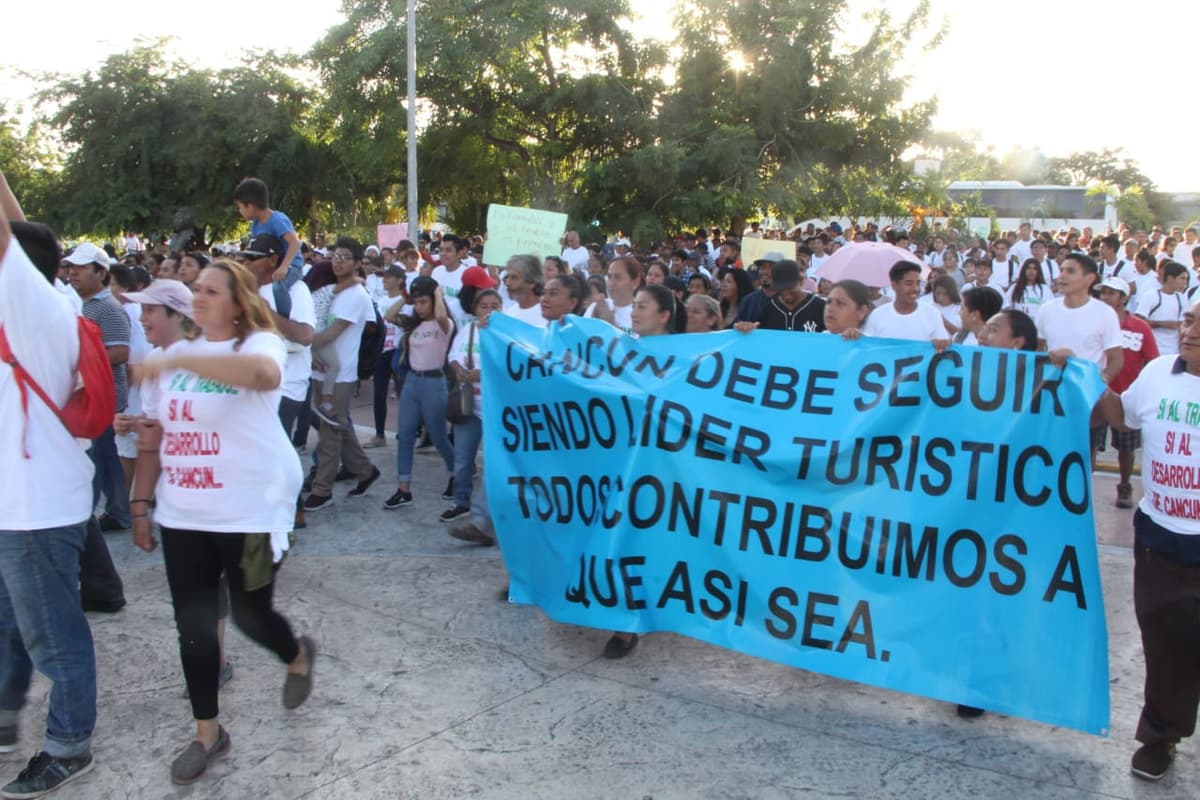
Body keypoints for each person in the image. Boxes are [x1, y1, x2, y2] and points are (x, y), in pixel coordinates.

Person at [128, 259, 316, 786]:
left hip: (251, 509)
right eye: (196, 289)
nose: (200, 297)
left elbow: (264, 378)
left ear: (239, 303)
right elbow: (158, 433)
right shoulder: (174, 357)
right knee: (193, 625)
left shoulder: (257, 343)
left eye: (212, 290)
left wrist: (180, 359)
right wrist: (140, 504)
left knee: (251, 616)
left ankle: (296, 654)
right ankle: (207, 733)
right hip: (184, 511)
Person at [0, 209, 100, 798]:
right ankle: (5, 709)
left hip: (34, 510)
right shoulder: (45, 306)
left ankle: (68, 743)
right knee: (10, 624)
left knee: (52, 634)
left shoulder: (32, 308)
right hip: (20, 503)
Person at [1094, 296, 1200, 783]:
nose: (1191, 328)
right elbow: (1122, 418)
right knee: (1166, 642)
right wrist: (1089, 379)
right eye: (1190, 319)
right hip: (1161, 538)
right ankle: (1160, 736)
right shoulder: (1158, 372)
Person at [302, 238, 381, 511]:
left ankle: (322, 490)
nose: (338, 261)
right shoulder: (330, 289)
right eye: (335, 255)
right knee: (337, 425)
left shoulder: (357, 296)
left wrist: (299, 342)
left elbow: (330, 334)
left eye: (346, 257)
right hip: (318, 370)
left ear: (358, 263)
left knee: (329, 433)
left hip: (339, 376)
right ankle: (365, 471)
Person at [385, 277, 456, 510]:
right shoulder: (413, 325)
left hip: (434, 383)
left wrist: (437, 294)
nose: (419, 307)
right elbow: (389, 315)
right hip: (412, 382)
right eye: (417, 303)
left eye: (423, 302)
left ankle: (456, 473)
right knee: (405, 436)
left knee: (438, 436)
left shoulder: (444, 325)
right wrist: (405, 299)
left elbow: (443, 317)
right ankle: (403, 488)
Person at [1095, 276, 1158, 508]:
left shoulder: (1140, 327)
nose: (1106, 297)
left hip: (1127, 398)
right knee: (1090, 444)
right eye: (1104, 293)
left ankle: (1124, 484)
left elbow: (1152, 360)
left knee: (1126, 448)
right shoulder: (1095, 323)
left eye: (1111, 293)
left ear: (1123, 298)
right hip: (1097, 394)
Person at [444, 284, 503, 523]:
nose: (489, 310)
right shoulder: (468, 330)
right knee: (462, 458)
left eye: (494, 306)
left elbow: (508, 366)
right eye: (484, 306)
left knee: (494, 462)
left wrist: (482, 373)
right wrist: (459, 370)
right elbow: (453, 356)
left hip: (495, 407)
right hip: (469, 404)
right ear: (475, 308)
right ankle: (461, 501)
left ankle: (492, 511)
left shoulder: (505, 334)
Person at [1036, 253, 1124, 387]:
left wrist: (1099, 383)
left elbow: (1116, 359)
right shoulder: (1046, 309)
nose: (1062, 276)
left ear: (1090, 279)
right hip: (1051, 389)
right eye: (1061, 270)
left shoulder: (1105, 314)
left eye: (1070, 271)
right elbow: (1038, 348)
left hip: (1087, 392)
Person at [233, 178, 303, 319]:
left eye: (240, 207)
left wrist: (284, 267)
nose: (239, 211)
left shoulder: (277, 220)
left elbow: (294, 243)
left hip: (292, 265)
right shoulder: (256, 224)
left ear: (250, 206)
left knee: (278, 286)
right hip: (273, 264)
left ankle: (283, 319)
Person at [365, 265, 408, 448]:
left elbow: (406, 324)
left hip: (399, 351)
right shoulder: (381, 300)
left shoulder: (406, 301)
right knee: (379, 393)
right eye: (384, 277)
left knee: (403, 394)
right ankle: (380, 434)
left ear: (399, 280)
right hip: (381, 352)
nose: (385, 280)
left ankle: (408, 431)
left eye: (389, 277)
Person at [863, 261, 951, 345]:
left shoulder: (932, 314)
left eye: (918, 283)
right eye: (909, 284)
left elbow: (943, 345)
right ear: (894, 286)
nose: (915, 289)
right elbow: (867, 347)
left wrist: (942, 344)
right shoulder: (877, 315)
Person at [1134, 260, 1188, 356]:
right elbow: (1138, 322)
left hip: (1173, 352)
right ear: (1171, 278)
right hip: (1153, 350)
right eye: (1182, 278)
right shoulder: (1151, 295)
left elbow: (1184, 325)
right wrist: (1163, 324)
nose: (1185, 283)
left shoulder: (1182, 299)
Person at [585, 256, 641, 334]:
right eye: (609, 277)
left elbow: (637, 345)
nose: (611, 283)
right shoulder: (597, 306)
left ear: (635, 281)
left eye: (618, 277)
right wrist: (593, 319)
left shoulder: (642, 313)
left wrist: (610, 322)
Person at [501, 255, 546, 326]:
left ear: (531, 282)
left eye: (514, 277)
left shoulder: (550, 315)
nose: (507, 283)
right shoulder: (509, 313)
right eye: (507, 277)